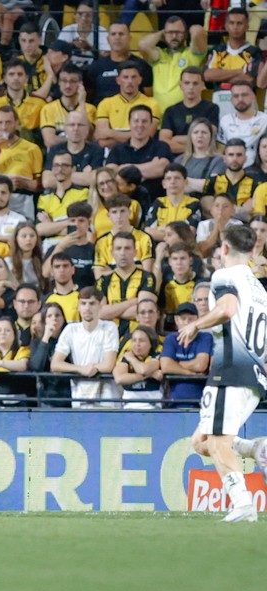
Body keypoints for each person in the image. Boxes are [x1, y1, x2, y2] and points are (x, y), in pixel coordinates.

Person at [178, 225, 267, 522]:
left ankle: (242, 503)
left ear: (224, 249)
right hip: (254, 375)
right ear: (252, 251)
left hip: (230, 371)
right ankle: (256, 448)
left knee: (217, 442)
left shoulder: (224, 276)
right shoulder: (259, 289)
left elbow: (227, 309)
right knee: (201, 441)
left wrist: (196, 324)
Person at [51, 287, 119, 408]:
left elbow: (109, 365)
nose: (87, 308)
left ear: (100, 306)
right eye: (83, 303)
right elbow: (55, 364)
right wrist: (80, 369)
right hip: (79, 396)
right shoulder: (70, 329)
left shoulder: (110, 327)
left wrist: (92, 368)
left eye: (92, 303)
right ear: (78, 306)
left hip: (106, 397)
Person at [105, 106, 173, 200]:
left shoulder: (161, 146)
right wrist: (149, 168)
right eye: (136, 121)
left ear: (151, 124)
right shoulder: (117, 149)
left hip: (156, 202)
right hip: (124, 203)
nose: (140, 125)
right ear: (129, 123)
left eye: (144, 121)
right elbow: (111, 173)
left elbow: (161, 168)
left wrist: (125, 168)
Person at [95, 62, 162, 149]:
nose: (130, 81)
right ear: (118, 80)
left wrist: (110, 133)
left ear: (140, 80)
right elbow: (102, 140)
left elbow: (148, 135)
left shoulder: (152, 104)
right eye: (125, 77)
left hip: (142, 152)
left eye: (133, 77)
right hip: (113, 153)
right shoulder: (105, 103)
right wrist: (137, 136)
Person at [159, 68, 219, 156]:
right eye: (187, 83)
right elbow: (164, 143)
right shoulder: (171, 111)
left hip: (202, 157)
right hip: (176, 159)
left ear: (202, 85)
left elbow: (209, 137)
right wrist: (194, 148)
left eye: (195, 83)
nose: (191, 87)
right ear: (180, 85)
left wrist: (176, 139)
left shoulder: (212, 108)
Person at [217, 80, 267, 168]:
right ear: (231, 99)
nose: (240, 99)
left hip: (259, 169)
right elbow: (221, 149)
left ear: (253, 96)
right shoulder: (225, 120)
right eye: (236, 96)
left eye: (244, 95)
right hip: (233, 169)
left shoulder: (264, 120)